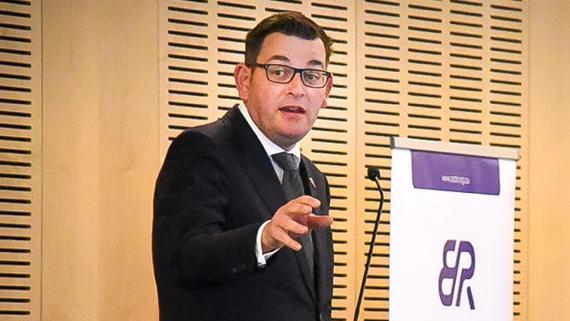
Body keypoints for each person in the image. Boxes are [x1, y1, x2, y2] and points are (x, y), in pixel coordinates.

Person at [153, 11, 335, 321]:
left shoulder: (314, 178)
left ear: (326, 91)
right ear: (244, 80)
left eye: (312, 75)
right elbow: (182, 261)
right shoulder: (202, 149)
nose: (297, 89)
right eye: (279, 71)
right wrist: (262, 238)